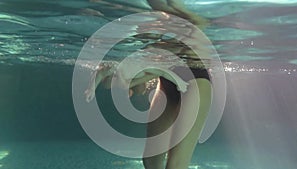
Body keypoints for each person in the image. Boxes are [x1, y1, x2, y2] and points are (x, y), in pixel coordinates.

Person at [85, 0, 212, 169]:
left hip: (195, 82)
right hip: (167, 84)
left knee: (176, 165)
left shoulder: (178, 37)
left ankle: (170, 5)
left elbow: (161, 70)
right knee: (151, 161)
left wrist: (93, 85)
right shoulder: (147, 57)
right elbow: (158, 72)